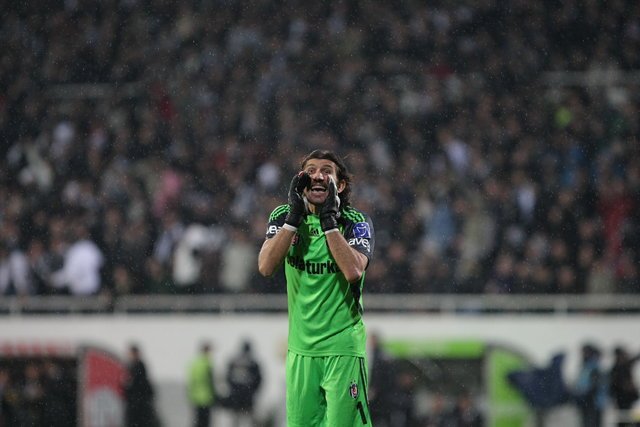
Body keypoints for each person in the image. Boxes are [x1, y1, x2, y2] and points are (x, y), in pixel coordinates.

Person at [258, 149, 375, 427]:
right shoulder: (283, 216)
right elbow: (265, 266)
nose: (318, 176)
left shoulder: (355, 221)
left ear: (340, 185)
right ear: (301, 181)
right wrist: (293, 219)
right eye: (310, 171)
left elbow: (354, 271)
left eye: (326, 171)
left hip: (343, 349)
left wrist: (329, 224)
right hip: (301, 351)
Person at [225, 340, 262, 427]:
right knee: (250, 420)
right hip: (248, 396)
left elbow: (228, 377)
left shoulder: (234, 362)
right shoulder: (253, 363)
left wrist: (233, 390)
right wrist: (253, 391)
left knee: (236, 419)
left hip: (236, 396)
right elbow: (258, 379)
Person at [123, 344, 157, 427]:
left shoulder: (137, 367)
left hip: (138, 405)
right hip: (140, 404)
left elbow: (135, 385)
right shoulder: (135, 367)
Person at [574, 343, 606, 427]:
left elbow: (595, 387)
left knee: (591, 423)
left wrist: (584, 395)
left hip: (592, 403)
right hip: (586, 402)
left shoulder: (593, 368)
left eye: (585, 352)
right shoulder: (586, 367)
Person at [609, 346, 640, 427]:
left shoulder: (621, 367)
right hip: (623, 399)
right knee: (624, 419)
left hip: (627, 399)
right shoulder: (619, 368)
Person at [187, 342, 216, 427]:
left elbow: (191, 380)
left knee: (197, 420)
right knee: (205, 422)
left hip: (195, 396)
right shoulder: (208, 363)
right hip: (206, 397)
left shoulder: (195, 363)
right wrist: (215, 395)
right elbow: (211, 381)